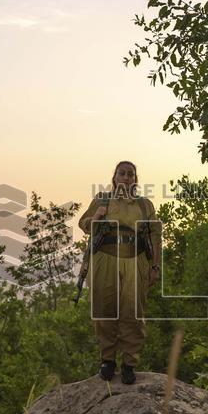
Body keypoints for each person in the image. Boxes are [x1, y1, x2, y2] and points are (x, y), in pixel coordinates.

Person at [78, 161, 161, 384]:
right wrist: (95, 218)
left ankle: (129, 364)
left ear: (135, 179)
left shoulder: (144, 205)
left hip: (135, 259)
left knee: (132, 311)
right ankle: (107, 360)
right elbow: (83, 223)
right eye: (121, 173)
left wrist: (155, 267)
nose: (125, 177)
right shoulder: (102, 200)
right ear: (114, 177)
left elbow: (155, 236)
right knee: (104, 309)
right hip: (105, 258)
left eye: (130, 174)